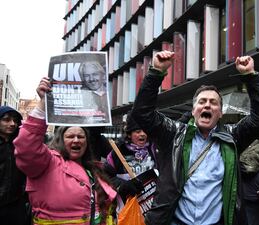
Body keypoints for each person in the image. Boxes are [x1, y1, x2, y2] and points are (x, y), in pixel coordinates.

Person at [130, 50, 259, 225]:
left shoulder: (232, 137)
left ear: (220, 113)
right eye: (202, 101)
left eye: (213, 103)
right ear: (193, 111)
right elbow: (142, 113)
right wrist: (156, 72)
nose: (207, 105)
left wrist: (251, 76)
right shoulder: (173, 134)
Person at [13, 77, 117, 225]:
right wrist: (43, 104)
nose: (76, 140)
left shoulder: (93, 168)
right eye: (70, 136)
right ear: (60, 140)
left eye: (81, 136)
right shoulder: (46, 163)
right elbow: (26, 147)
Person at [104, 114, 156, 203]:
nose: (142, 134)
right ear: (129, 134)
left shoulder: (154, 148)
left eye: (144, 130)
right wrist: (122, 185)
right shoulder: (118, 152)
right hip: (129, 204)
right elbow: (106, 176)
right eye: (138, 131)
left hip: (153, 202)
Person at [0, 106, 28, 225]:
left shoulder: (20, 144)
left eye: (15, 120)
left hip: (16, 204)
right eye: (6, 120)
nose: (12, 124)